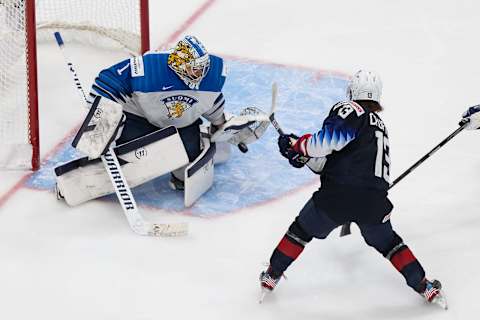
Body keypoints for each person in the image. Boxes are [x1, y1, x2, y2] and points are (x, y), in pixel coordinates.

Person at [259, 70, 448, 309]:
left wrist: (298, 146)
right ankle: (424, 286)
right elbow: (335, 162)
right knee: (390, 243)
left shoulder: (351, 110)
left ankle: (272, 275)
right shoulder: (379, 127)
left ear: (352, 91)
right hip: (374, 202)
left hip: (336, 197)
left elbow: (326, 143)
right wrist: (303, 156)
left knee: (300, 231)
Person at [54, 35, 233, 206]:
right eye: (195, 68)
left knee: (187, 164)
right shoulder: (149, 69)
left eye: (203, 67)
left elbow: (211, 101)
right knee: (128, 156)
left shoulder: (212, 76)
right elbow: (107, 82)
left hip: (182, 126)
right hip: (139, 120)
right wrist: (102, 120)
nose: (201, 73)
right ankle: (90, 174)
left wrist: (221, 125)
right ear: (180, 64)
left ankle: (179, 170)